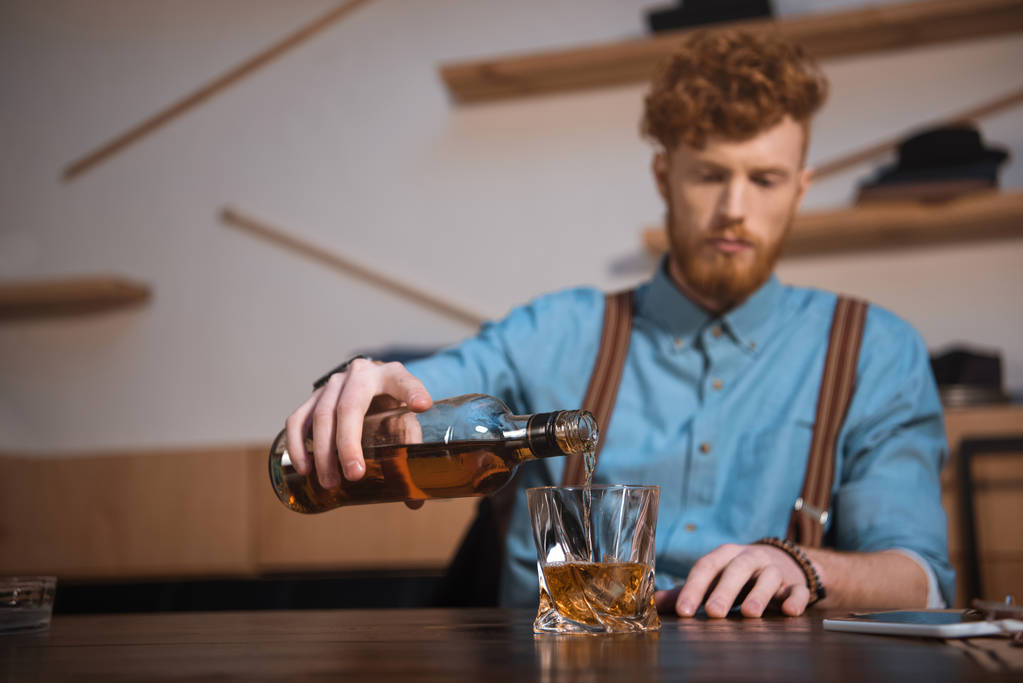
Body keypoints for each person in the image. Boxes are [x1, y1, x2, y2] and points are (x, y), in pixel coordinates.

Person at [285, 29, 953, 617]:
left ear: (801, 187)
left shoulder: (872, 350)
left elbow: (921, 580)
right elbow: (425, 393)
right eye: (709, 175)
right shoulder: (555, 330)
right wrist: (366, 392)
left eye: (765, 179)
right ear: (664, 176)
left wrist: (808, 567)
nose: (733, 209)